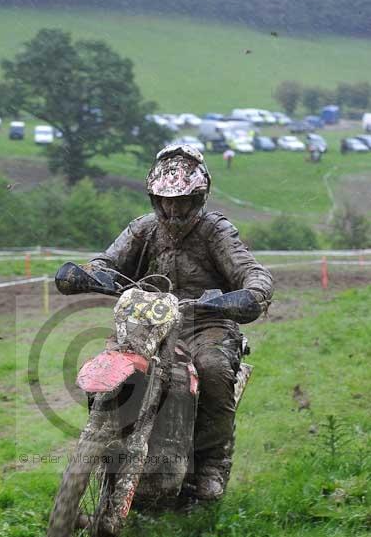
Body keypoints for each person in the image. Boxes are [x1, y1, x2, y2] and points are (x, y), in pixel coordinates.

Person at [56, 144, 273, 500]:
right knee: (108, 368)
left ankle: (211, 463)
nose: (173, 209)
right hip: (147, 323)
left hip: (205, 322)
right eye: (165, 200)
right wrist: (89, 274)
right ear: (154, 198)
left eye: (183, 201)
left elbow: (251, 270)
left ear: (198, 198)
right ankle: (102, 445)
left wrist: (251, 294)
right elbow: (107, 261)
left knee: (213, 368)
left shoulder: (215, 231)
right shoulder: (143, 229)